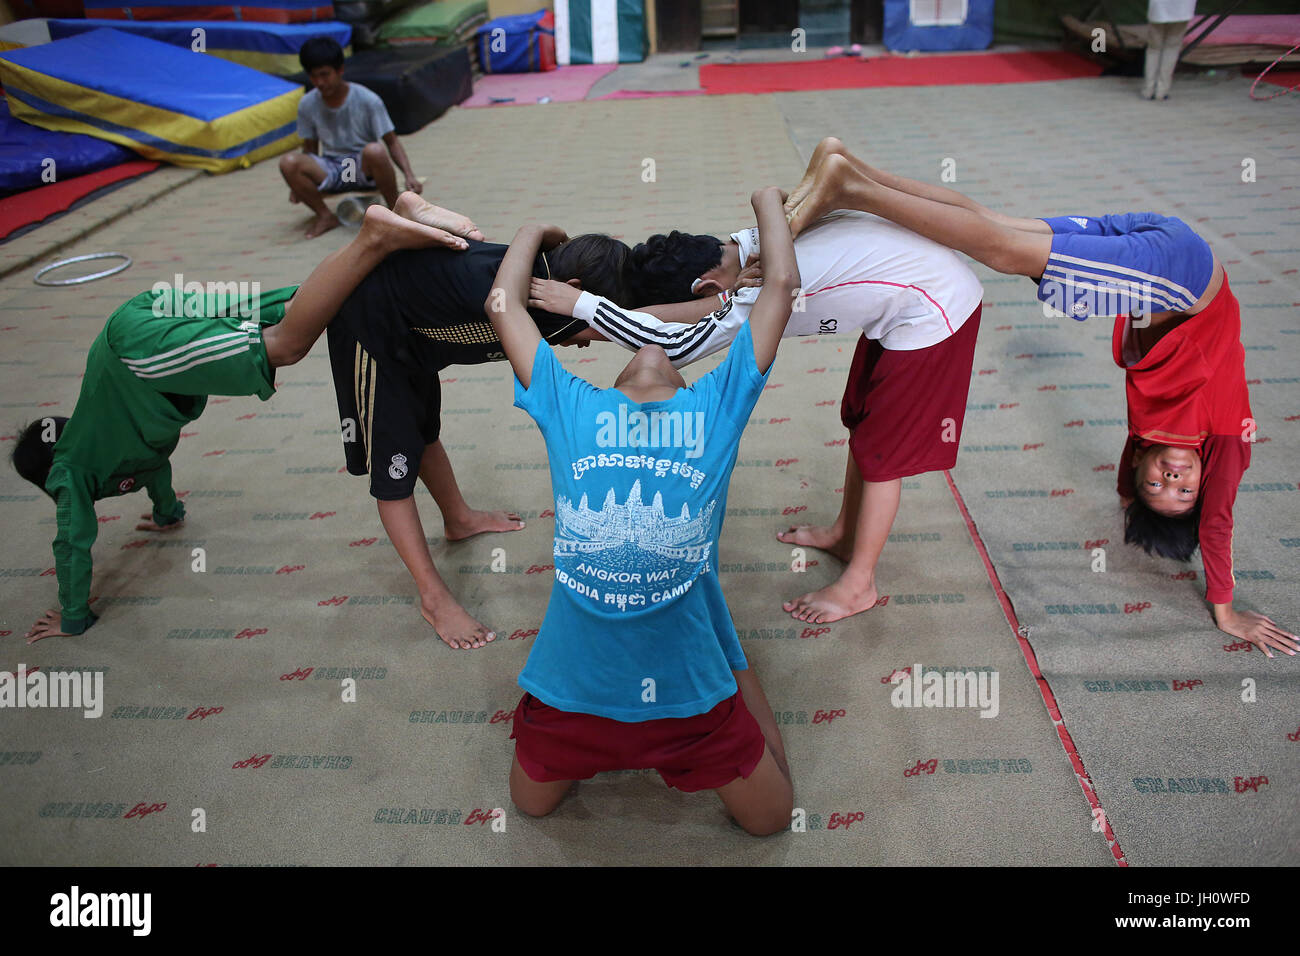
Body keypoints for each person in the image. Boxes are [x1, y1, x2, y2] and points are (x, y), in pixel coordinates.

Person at [782, 138, 1297, 657]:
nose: (1172, 478)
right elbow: (1218, 519)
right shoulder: (1226, 436)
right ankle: (848, 190)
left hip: (1168, 256)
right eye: (1184, 490)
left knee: (996, 224)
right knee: (1003, 250)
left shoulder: (1151, 434)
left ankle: (853, 170)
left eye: (1157, 485)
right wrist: (1226, 609)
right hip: (1180, 278)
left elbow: (1135, 469)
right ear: (1203, 480)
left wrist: (1128, 492)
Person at [527, 138, 985, 625]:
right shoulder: (749, 244)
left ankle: (859, 584)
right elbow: (685, 316)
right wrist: (607, 318)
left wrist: (582, 307)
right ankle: (847, 534)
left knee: (882, 455)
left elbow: (676, 344)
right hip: (905, 300)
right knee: (863, 425)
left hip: (935, 313)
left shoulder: (760, 289)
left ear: (706, 287)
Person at [13, 201, 475, 643]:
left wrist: (72, 617)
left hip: (136, 348)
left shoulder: (68, 474)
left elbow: (71, 544)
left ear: (50, 473)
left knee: (287, 343)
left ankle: (374, 236)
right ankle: (398, 221)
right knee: (299, 302)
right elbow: (154, 471)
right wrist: (167, 513)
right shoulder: (122, 449)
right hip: (146, 310)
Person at [486, 187, 799, 834]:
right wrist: (769, 206)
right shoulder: (698, 408)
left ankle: (727, 669)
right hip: (614, 692)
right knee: (530, 804)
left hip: (650, 695)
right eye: (640, 353)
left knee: (771, 818)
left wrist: (534, 225)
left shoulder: (581, 405)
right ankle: (725, 670)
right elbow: (781, 287)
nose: (652, 353)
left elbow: (500, 303)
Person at [324, 197, 630, 650]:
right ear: (570, 286)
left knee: (422, 427)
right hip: (371, 327)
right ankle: (433, 597)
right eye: (588, 325)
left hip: (418, 329)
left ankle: (459, 519)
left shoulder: (540, 276)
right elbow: (629, 327)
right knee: (393, 471)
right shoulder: (525, 303)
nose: (589, 342)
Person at [280, 36, 424, 238]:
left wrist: (409, 175)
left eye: (325, 75)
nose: (320, 82)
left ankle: (395, 212)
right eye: (314, 77)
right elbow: (310, 148)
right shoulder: (307, 103)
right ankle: (324, 216)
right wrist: (297, 185)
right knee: (288, 162)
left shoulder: (367, 99)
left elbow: (391, 141)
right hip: (332, 167)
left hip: (362, 166)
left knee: (374, 150)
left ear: (340, 71)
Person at [1144, 1, 1196, 101]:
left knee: (1154, 49)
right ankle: (1162, 91)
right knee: (1171, 48)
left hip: (1158, 8)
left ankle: (1148, 90)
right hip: (1183, 8)